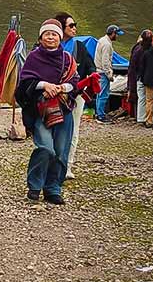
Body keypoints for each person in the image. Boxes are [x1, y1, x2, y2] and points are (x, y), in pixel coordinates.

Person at [16, 19, 80, 205]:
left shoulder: (68, 59)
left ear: (60, 37)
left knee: (61, 151)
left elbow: (75, 83)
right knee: (45, 148)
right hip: (41, 110)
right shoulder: (33, 58)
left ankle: (53, 188)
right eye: (47, 34)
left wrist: (61, 88)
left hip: (64, 108)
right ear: (41, 37)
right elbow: (25, 84)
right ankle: (34, 186)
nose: (51, 37)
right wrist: (44, 85)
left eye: (54, 34)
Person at [55, 13, 94, 179]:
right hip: (54, 95)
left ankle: (67, 165)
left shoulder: (79, 47)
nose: (74, 28)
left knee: (73, 129)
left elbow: (91, 67)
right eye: (71, 25)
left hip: (76, 95)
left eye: (75, 25)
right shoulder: (49, 46)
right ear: (61, 27)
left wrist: (86, 82)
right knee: (54, 129)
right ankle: (53, 164)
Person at [94, 24, 124, 122]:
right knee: (104, 94)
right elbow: (105, 61)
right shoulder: (107, 44)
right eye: (117, 34)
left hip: (98, 71)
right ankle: (101, 116)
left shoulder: (102, 40)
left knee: (99, 94)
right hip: (103, 72)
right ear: (113, 33)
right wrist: (109, 74)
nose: (117, 36)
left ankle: (98, 113)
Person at [128, 30, 153, 125]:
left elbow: (132, 67)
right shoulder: (152, 49)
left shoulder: (137, 50)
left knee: (142, 98)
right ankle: (150, 118)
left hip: (140, 77)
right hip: (150, 77)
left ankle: (141, 118)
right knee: (150, 99)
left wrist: (130, 85)